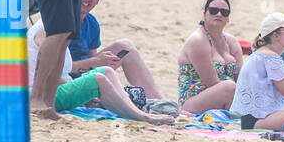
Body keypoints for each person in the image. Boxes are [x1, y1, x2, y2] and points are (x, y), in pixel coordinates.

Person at [26, 20, 173, 123]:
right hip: (44, 94)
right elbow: (46, 66)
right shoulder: (47, 28)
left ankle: (137, 108)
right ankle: (143, 117)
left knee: (107, 72)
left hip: (57, 88)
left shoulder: (69, 26)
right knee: (98, 79)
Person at [67, 0, 163, 98]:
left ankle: (158, 100)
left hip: (82, 75)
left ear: (98, 0)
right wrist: (95, 61)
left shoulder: (92, 23)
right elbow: (59, 68)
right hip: (64, 80)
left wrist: (100, 61)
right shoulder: (64, 20)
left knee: (125, 47)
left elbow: (91, 59)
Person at [177, 0, 242, 114]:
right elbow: (212, 83)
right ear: (204, 14)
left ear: (228, 18)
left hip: (226, 97)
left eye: (224, 12)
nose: (218, 14)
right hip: (193, 102)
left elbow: (242, 79)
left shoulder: (231, 41)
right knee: (229, 87)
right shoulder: (198, 40)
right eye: (213, 11)